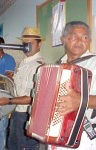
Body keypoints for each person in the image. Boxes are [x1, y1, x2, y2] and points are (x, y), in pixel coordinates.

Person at [0, 27, 45, 150]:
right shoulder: (25, 62)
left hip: (27, 115)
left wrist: (8, 101)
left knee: (24, 146)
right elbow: (20, 87)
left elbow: (32, 98)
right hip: (17, 112)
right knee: (12, 145)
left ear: (39, 44)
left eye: (30, 43)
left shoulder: (38, 65)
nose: (26, 46)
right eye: (24, 43)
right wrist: (12, 78)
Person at [47, 21, 96, 150]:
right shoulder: (57, 66)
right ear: (64, 39)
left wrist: (81, 100)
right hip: (54, 132)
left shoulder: (95, 63)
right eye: (74, 36)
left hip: (85, 136)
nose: (80, 41)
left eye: (85, 37)